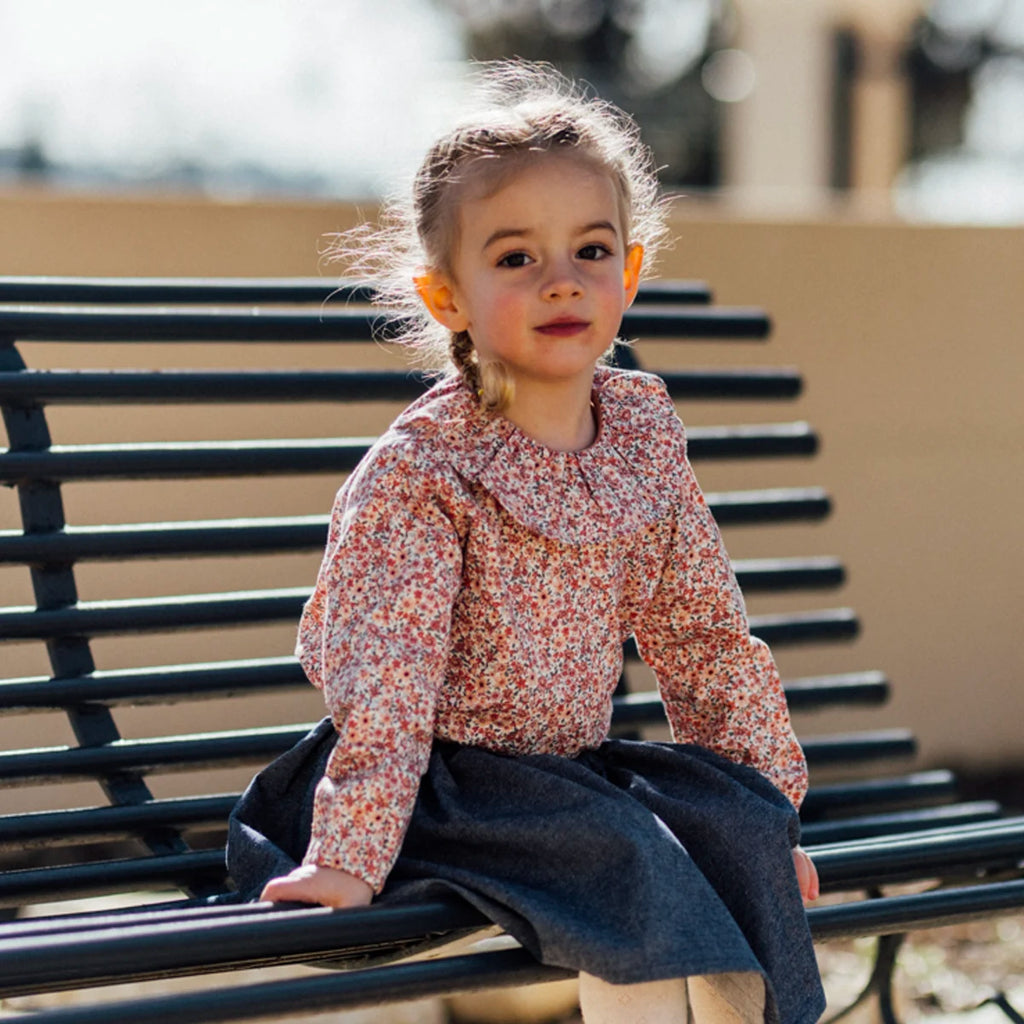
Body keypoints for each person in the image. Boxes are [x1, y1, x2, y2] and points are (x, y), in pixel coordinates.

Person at [228, 61, 825, 1024]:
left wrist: (762, 818)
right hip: (435, 788)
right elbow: (387, 680)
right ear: (446, 297)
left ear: (628, 271)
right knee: (628, 859)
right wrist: (347, 854)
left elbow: (704, 635)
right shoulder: (429, 469)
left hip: (568, 782)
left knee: (722, 832)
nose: (562, 281)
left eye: (591, 250)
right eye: (515, 259)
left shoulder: (636, 437)